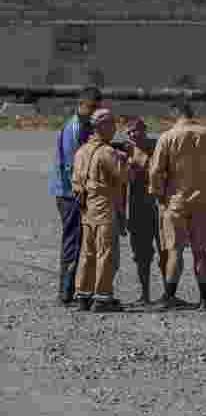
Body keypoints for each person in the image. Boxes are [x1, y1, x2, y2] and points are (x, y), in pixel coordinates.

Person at [149, 98, 206, 311]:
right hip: (204, 199)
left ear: (174, 114)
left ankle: (169, 295)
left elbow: (156, 171)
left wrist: (158, 194)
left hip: (176, 200)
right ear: (191, 113)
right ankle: (205, 298)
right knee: (200, 251)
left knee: (175, 249)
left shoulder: (167, 137)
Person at [71, 108, 128, 313]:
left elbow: (76, 183)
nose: (114, 129)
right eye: (112, 124)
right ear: (101, 127)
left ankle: (83, 295)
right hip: (104, 210)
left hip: (87, 211)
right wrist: (125, 158)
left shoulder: (81, 151)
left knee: (88, 254)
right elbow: (124, 177)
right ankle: (103, 297)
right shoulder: (107, 152)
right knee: (106, 254)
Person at [48, 86, 101, 305]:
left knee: (80, 241)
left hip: (74, 192)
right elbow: (72, 165)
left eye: (97, 108)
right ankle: (65, 292)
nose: (95, 112)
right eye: (92, 107)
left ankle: (73, 290)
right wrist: (81, 194)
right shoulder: (75, 127)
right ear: (82, 104)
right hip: (69, 194)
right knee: (73, 241)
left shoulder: (86, 125)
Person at [118, 117, 165, 304]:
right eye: (128, 132)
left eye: (135, 130)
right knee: (141, 255)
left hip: (159, 207)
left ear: (145, 130)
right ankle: (144, 294)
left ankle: (168, 293)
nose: (132, 135)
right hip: (138, 209)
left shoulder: (158, 146)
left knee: (166, 251)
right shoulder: (125, 151)